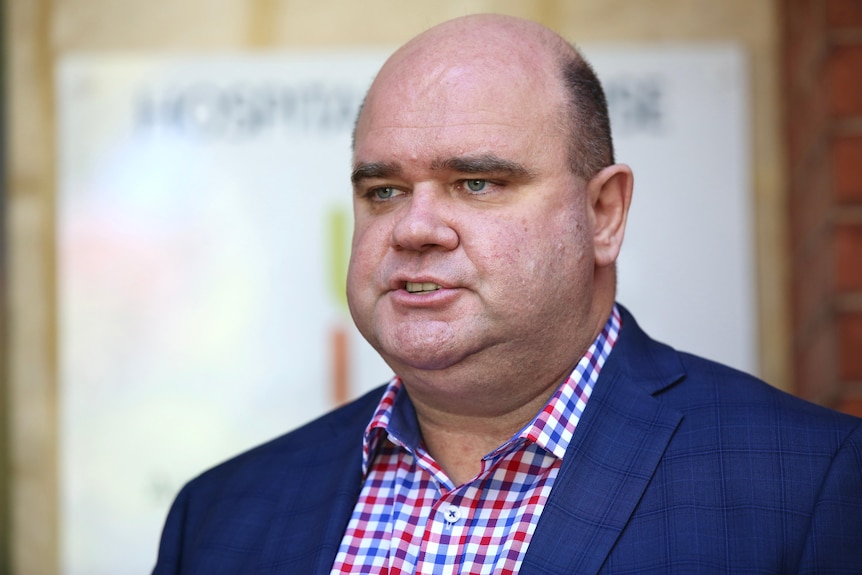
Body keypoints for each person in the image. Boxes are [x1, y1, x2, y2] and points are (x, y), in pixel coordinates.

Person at [153, 13, 862, 575]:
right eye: (384, 190)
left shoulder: (808, 487)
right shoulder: (218, 517)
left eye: (478, 183)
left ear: (604, 214)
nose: (415, 226)